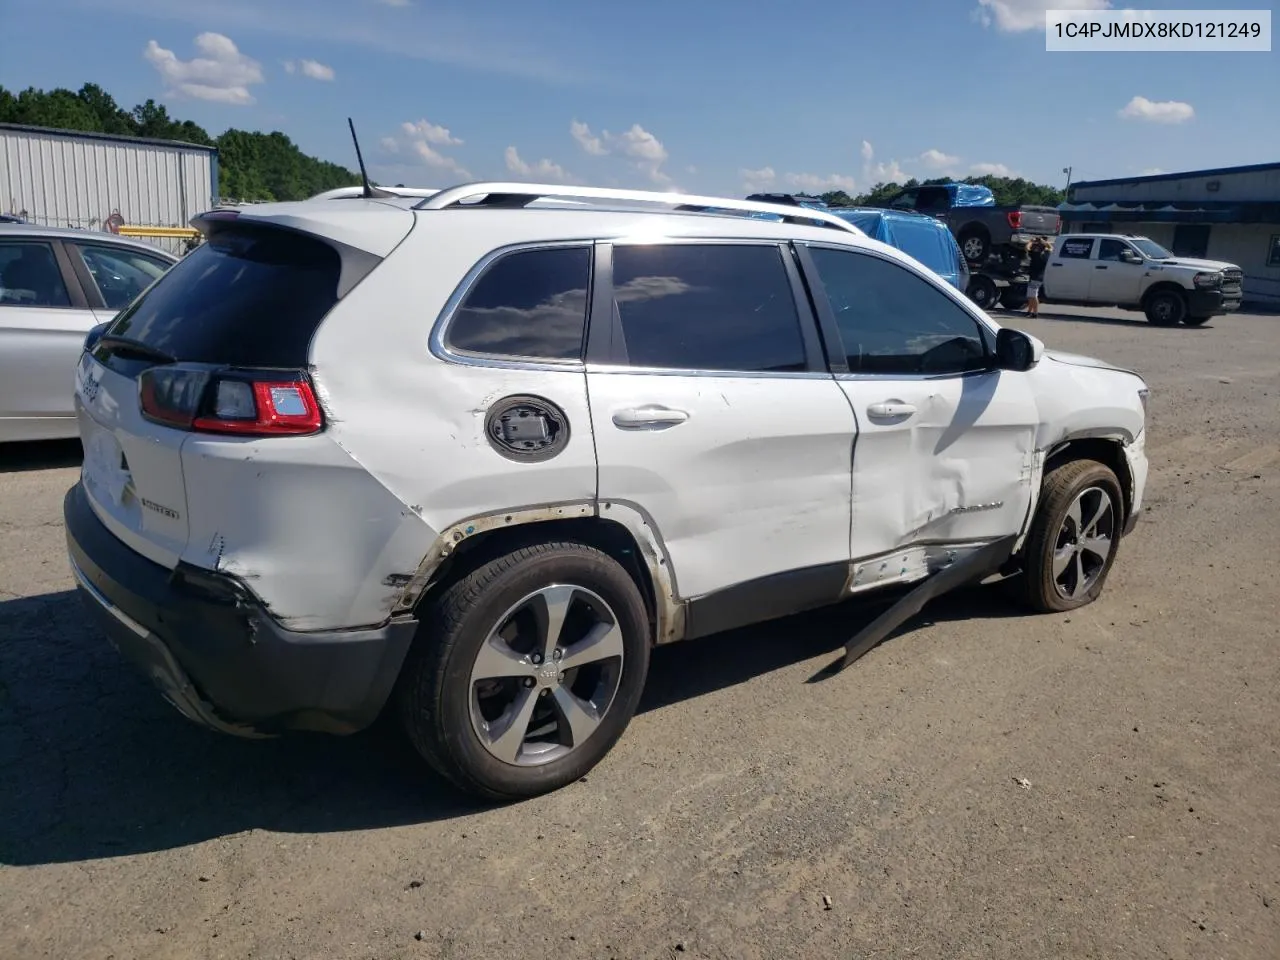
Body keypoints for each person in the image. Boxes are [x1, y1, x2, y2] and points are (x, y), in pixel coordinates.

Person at [1025, 237, 1050, 317]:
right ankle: (1029, 311)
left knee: (1033, 296)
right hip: (1039, 277)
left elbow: (1026, 248)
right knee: (1031, 295)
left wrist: (1031, 241)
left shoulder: (1037, 254)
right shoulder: (1046, 254)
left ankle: (1035, 313)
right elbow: (1051, 247)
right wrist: (1044, 242)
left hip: (1035, 277)